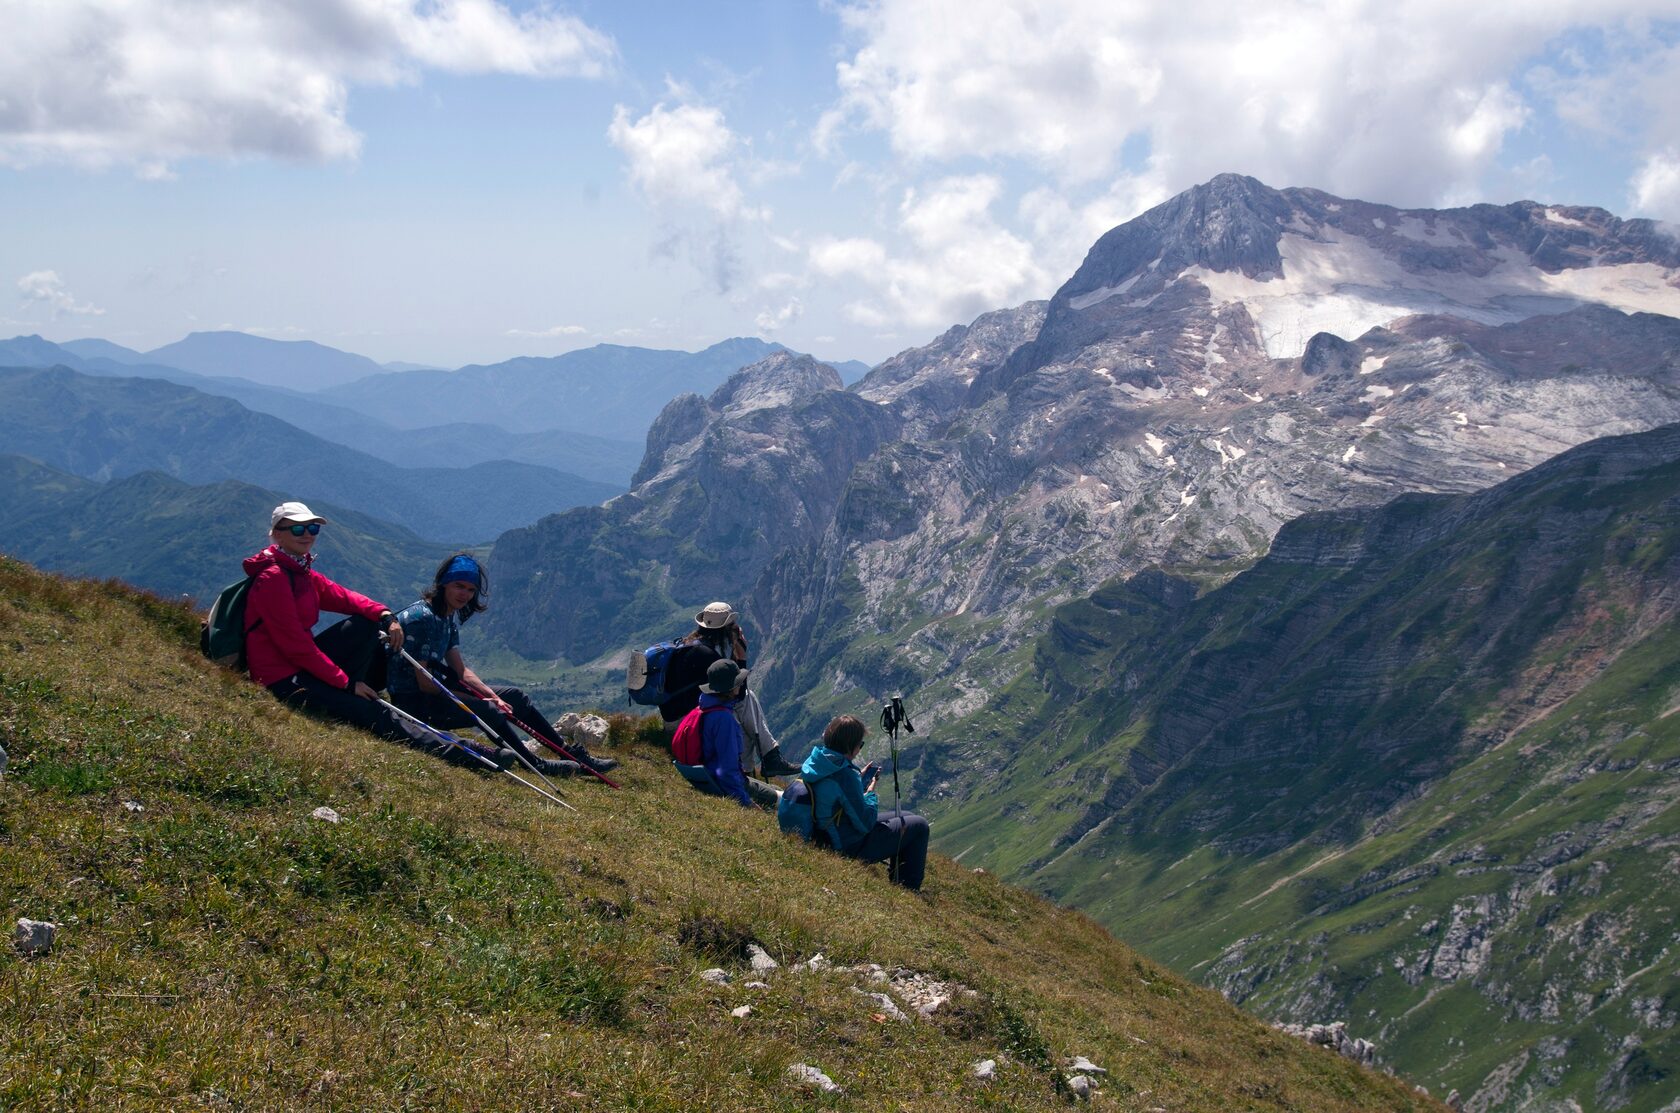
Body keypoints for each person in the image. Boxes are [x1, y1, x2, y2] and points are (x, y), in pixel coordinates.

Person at [387, 554, 617, 778]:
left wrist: (491, 695)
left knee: (514, 697)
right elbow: (425, 684)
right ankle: (534, 763)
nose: (464, 594)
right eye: (459, 586)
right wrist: (482, 702)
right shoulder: (423, 618)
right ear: (444, 584)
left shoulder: (446, 615)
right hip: (414, 703)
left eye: (470, 589)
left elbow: (461, 671)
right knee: (488, 711)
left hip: (437, 691)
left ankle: (571, 753)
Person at [243, 501, 424, 748]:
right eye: (297, 529)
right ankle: (466, 752)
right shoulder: (274, 577)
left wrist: (385, 615)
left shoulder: (299, 570)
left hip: (299, 666)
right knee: (373, 714)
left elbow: (344, 597)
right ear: (277, 534)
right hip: (281, 678)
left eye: (312, 528)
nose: (307, 534)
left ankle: (357, 691)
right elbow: (296, 646)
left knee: (368, 623)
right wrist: (346, 683)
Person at [658, 601, 799, 778]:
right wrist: (742, 655)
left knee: (744, 703)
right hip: (685, 726)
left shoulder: (690, 645)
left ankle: (765, 760)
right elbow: (736, 692)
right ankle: (754, 767)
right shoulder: (707, 656)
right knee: (743, 704)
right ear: (725, 629)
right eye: (732, 626)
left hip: (675, 720)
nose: (736, 629)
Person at [800, 714, 930, 891]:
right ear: (851, 746)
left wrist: (857, 781)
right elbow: (865, 823)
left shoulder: (819, 762)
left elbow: (835, 795)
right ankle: (908, 888)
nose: (859, 749)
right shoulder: (844, 776)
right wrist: (869, 793)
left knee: (906, 816)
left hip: (827, 832)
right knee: (920, 826)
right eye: (860, 745)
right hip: (846, 844)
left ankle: (901, 876)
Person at [692, 658, 779, 808]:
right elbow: (727, 769)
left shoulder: (704, 707)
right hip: (723, 782)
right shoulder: (724, 719)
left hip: (708, 775)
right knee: (782, 798)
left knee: (776, 790)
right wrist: (746, 802)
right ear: (731, 687)